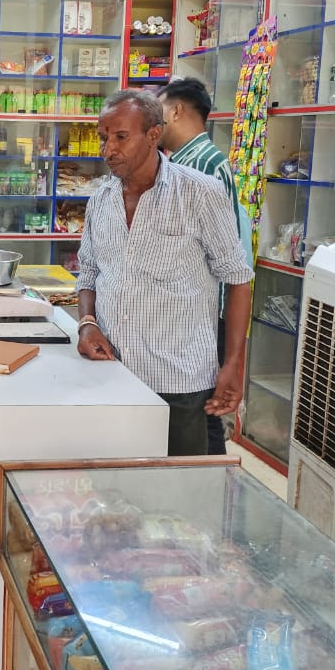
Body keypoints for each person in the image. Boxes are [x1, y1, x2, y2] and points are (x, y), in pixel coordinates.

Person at [76, 90, 254, 456]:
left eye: (121, 137)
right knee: (117, 483)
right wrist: (87, 324)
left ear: (153, 135)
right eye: (104, 138)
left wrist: (232, 364)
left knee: (178, 487)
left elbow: (238, 278)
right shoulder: (100, 200)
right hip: (112, 374)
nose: (108, 149)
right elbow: (89, 273)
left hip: (179, 382)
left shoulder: (200, 193)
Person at [158, 77, 251, 454]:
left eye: (158, 110)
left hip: (204, 316)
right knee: (200, 411)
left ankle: (212, 484)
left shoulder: (201, 166)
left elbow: (227, 262)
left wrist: (231, 354)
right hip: (199, 314)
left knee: (203, 412)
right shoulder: (186, 160)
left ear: (176, 111)